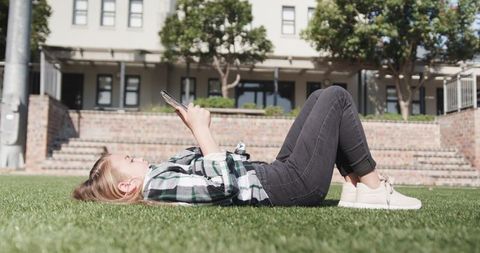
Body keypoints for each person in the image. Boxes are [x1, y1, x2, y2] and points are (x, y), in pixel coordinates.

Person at [73, 86, 421, 209]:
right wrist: (201, 131)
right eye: (130, 160)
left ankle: (357, 190)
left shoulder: (159, 177)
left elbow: (205, 165)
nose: (138, 157)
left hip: (275, 175)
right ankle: (374, 187)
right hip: (286, 186)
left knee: (318, 97)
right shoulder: (157, 187)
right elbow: (219, 184)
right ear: (127, 185)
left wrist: (193, 130)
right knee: (336, 98)